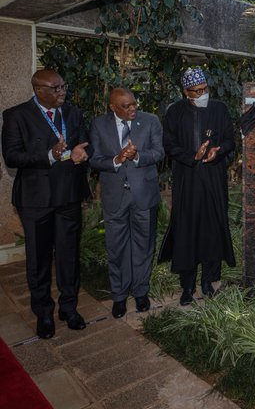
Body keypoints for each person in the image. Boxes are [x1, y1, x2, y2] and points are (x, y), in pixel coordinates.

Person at [1, 69, 90, 338]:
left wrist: (80, 152)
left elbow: (88, 145)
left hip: (68, 196)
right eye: (56, 88)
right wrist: (49, 155)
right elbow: (12, 157)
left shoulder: (73, 113)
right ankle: (43, 314)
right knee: (38, 261)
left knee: (68, 257)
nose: (62, 92)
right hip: (36, 199)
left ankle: (69, 308)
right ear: (39, 89)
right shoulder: (16, 116)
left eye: (63, 86)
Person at [159, 67, 236, 305]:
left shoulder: (219, 109)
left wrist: (218, 150)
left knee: (211, 230)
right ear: (185, 92)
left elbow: (230, 140)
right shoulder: (175, 112)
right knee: (187, 230)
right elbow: (169, 145)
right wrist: (192, 156)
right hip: (187, 180)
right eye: (197, 91)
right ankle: (187, 285)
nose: (202, 94)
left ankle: (208, 281)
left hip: (213, 179)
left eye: (205, 89)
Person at [89, 88, 164, 318]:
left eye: (134, 104)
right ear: (112, 107)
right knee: (117, 247)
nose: (132, 109)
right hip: (114, 197)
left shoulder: (150, 121)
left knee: (143, 245)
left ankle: (141, 292)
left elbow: (159, 152)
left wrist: (137, 156)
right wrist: (117, 159)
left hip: (143, 194)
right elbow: (94, 160)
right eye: (125, 106)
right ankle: (119, 296)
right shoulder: (98, 125)